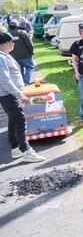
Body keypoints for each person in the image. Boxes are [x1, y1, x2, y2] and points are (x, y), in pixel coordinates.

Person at [0, 31, 45, 162]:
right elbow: (5, 80)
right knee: (20, 121)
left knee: (13, 121)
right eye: (12, 41)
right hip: (9, 95)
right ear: (6, 43)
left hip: (10, 94)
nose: (14, 43)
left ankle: (15, 149)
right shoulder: (2, 58)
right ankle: (26, 151)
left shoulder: (5, 55)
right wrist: (19, 94)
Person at [8, 19, 35, 85]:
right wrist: (31, 51)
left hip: (13, 56)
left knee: (20, 70)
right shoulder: (22, 32)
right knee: (30, 67)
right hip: (25, 55)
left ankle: (22, 84)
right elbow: (29, 44)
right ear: (17, 25)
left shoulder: (7, 33)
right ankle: (25, 82)